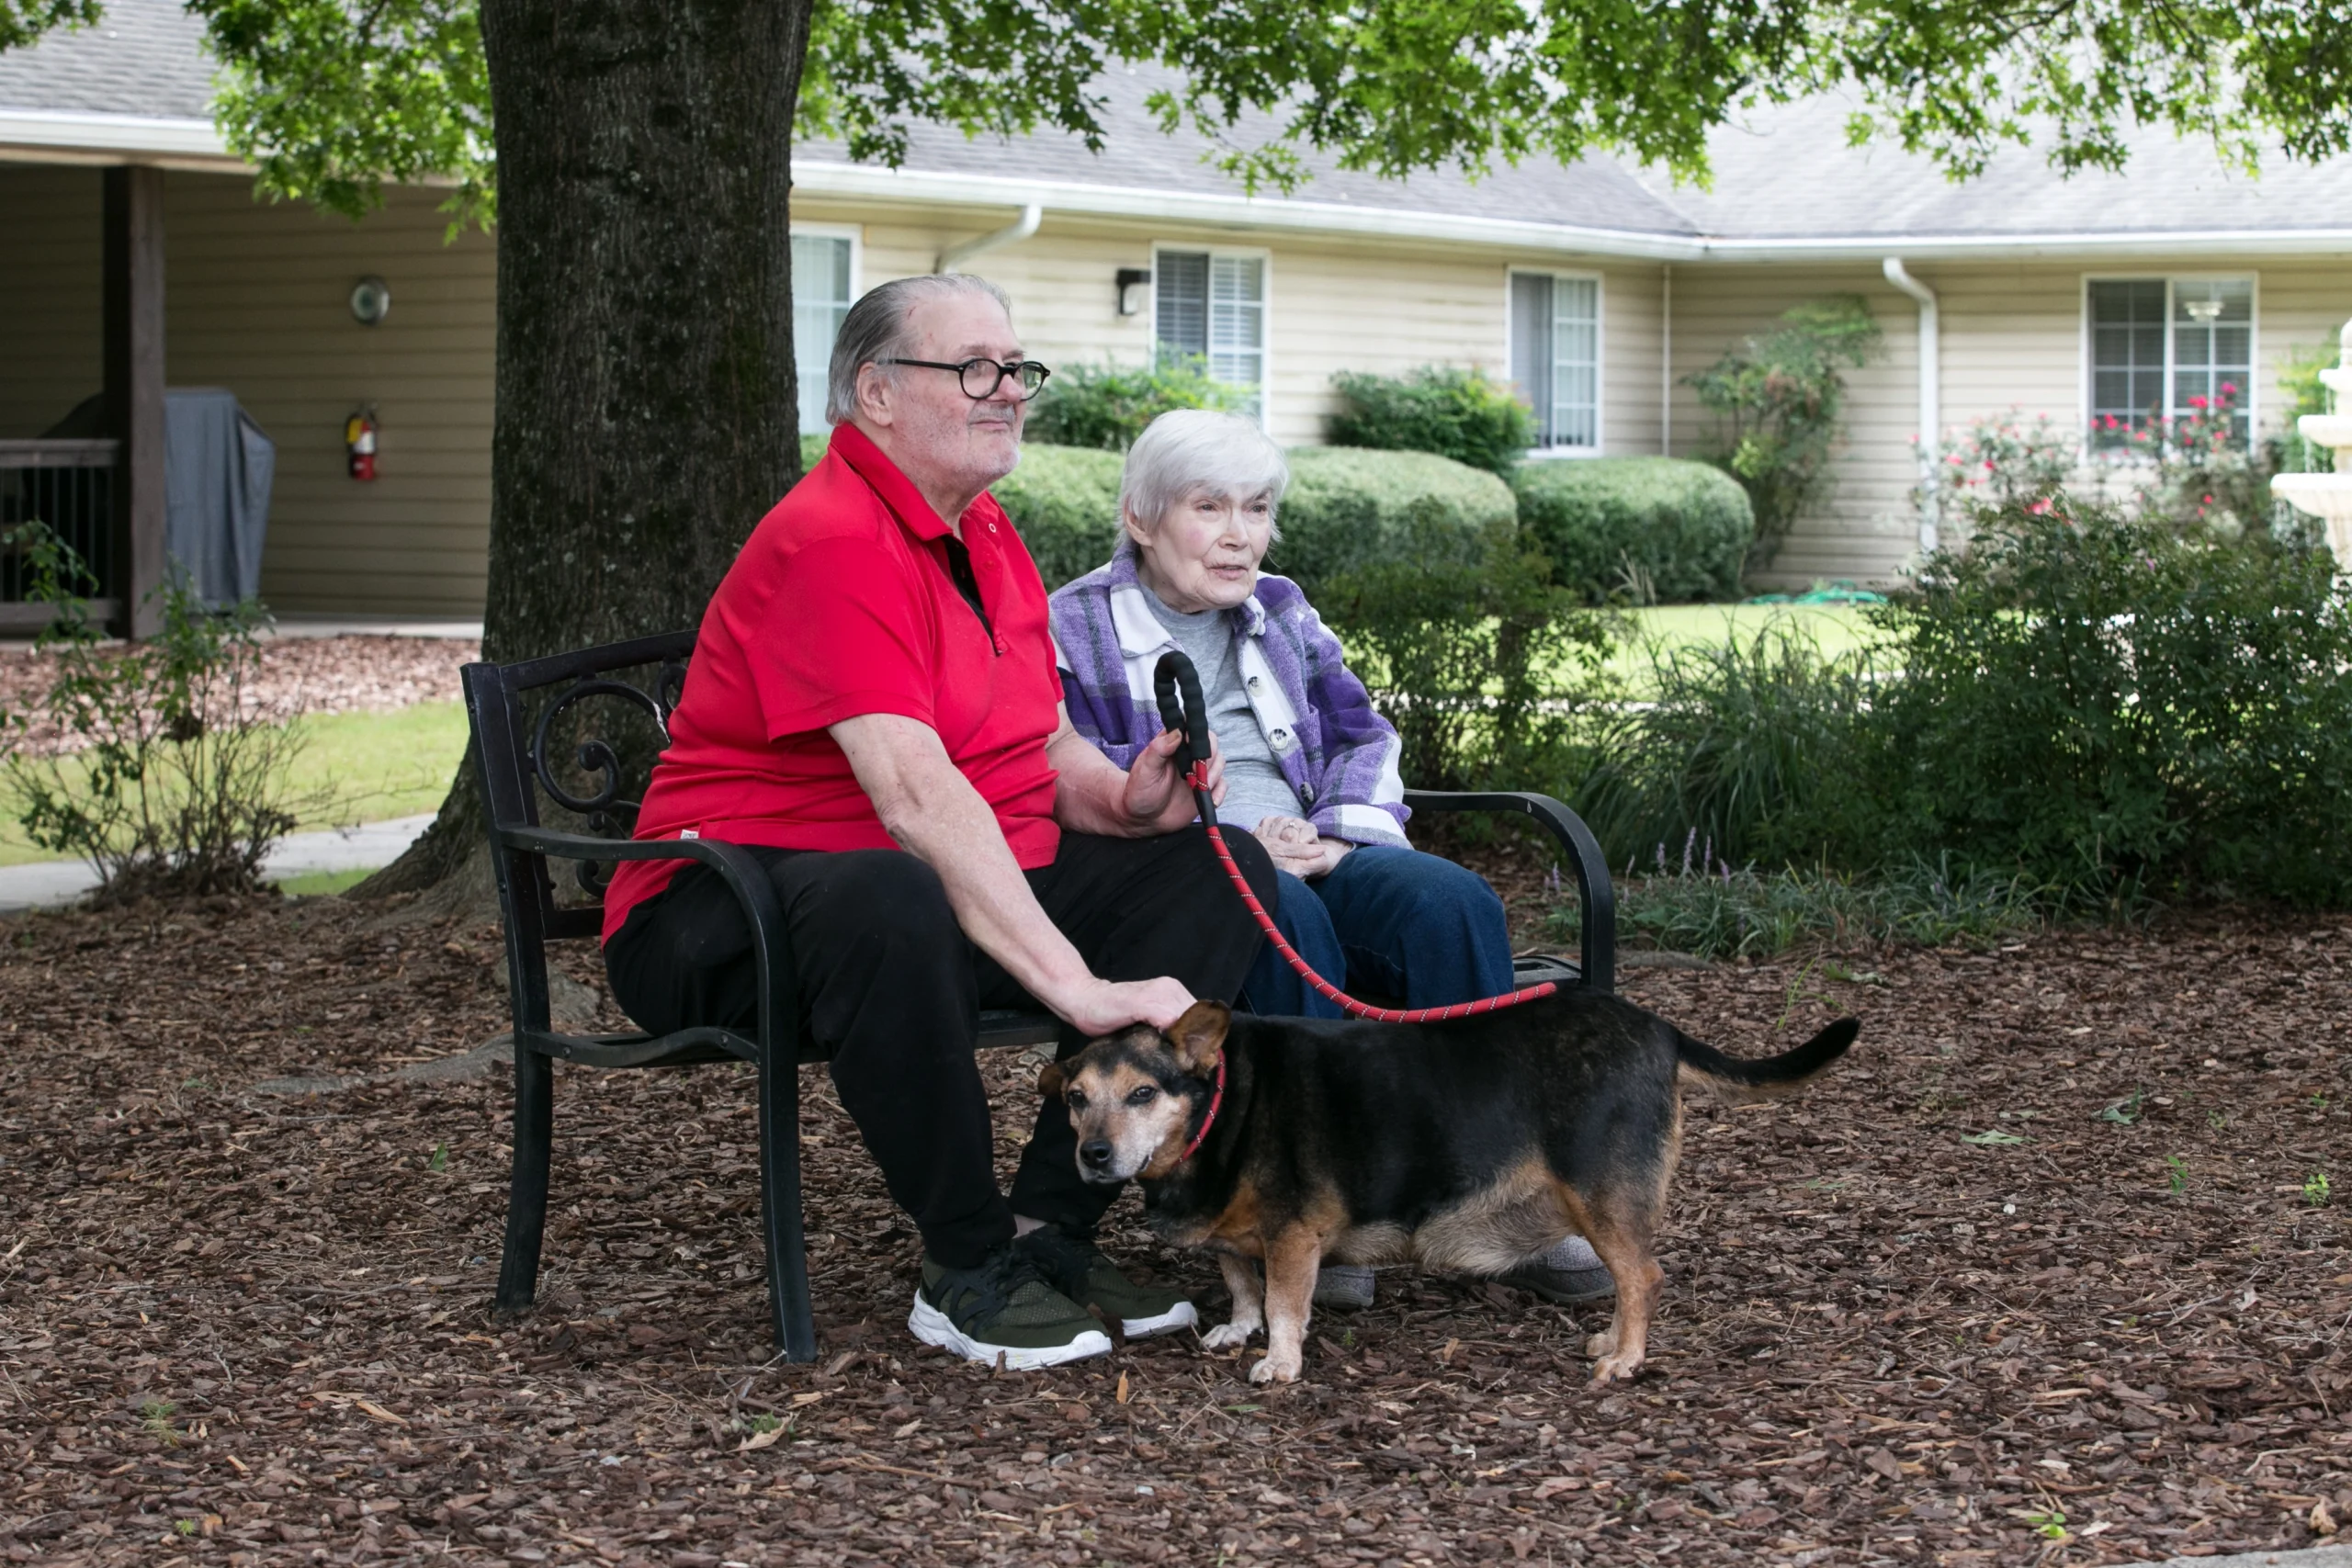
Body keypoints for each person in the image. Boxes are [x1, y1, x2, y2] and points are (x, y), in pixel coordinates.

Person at [601, 276, 1279, 1371]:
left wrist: (1120, 799)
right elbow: (911, 792)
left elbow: (1035, 742)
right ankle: (965, 1263)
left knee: (1216, 865)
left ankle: (1048, 1232)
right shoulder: (830, 535)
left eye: (1016, 369)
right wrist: (1077, 984)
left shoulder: (985, 531)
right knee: (889, 886)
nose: (1007, 391)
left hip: (911, 905)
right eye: (974, 369)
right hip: (717, 916)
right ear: (875, 391)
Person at [1048, 409, 1612, 1308]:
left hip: (1322, 843)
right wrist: (1221, 833)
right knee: (1286, 919)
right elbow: (1077, 780)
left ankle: (1495, 1199)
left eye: (1258, 508)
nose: (1239, 535)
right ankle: (1318, 1216)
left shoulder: (1279, 607)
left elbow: (1359, 732)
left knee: (1449, 904)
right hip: (1191, 864)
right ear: (1140, 519)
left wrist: (1339, 830)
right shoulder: (1071, 626)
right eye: (1209, 507)